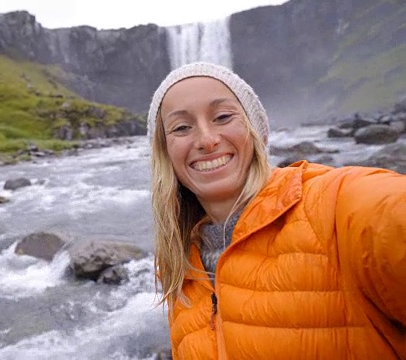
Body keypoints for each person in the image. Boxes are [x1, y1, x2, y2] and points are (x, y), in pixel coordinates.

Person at [147, 62, 406, 359]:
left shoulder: (337, 205)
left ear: (256, 129)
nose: (207, 140)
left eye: (222, 117)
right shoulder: (180, 266)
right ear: (164, 152)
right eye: (181, 127)